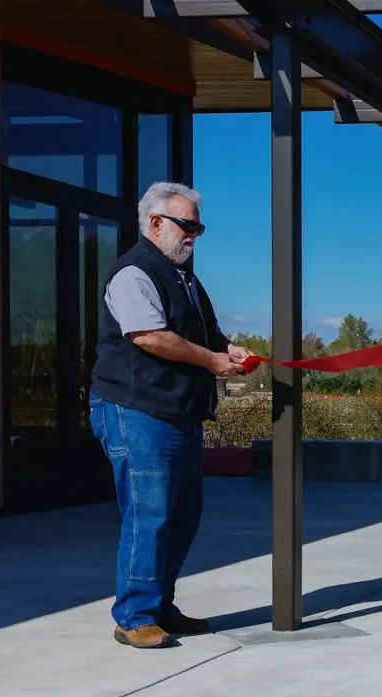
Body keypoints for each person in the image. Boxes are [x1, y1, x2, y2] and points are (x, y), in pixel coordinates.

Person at [89, 182, 252, 649]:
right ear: (156, 223)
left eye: (199, 227)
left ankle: (158, 605)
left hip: (175, 413)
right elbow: (149, 336)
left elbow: (205, 332)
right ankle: (134, 616)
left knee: (183, 514)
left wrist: (228, 349)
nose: (195, 236)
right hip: (136, 411)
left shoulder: (184, 277)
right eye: (188, 226)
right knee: (150, 514)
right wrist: (211, 361)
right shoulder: (134, 274)